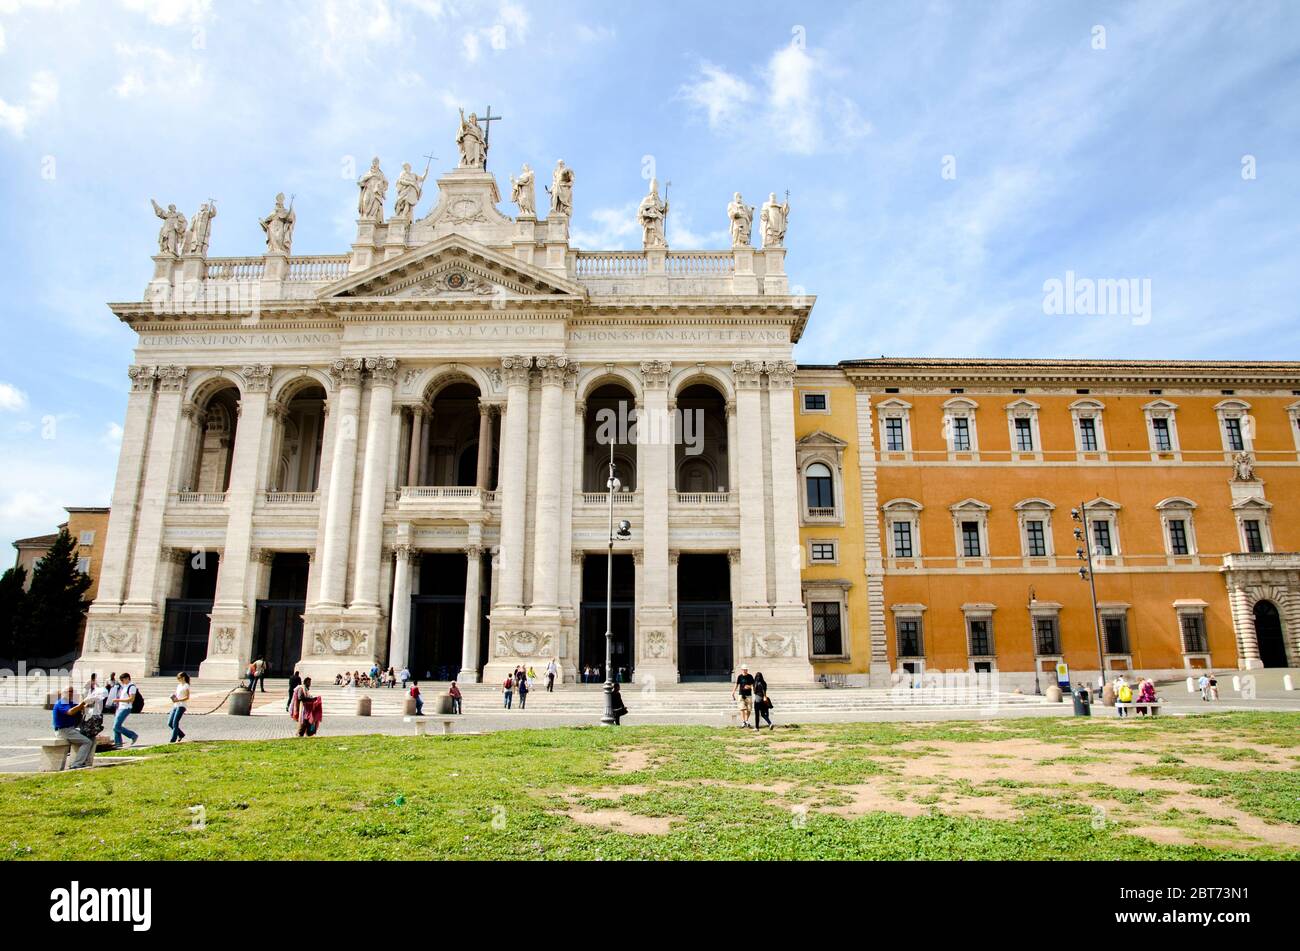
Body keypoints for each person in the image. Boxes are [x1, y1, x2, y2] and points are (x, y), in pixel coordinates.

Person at [52, 687, 94, 769]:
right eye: (70, 691)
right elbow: (70, 712)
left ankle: (84, 761)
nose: (72, 693)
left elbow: (79, 707)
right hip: (63, 730)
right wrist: (82, 704)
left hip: (70, 729)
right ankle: (77, 764)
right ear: (63, 693)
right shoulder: (62, 702)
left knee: (90, 736)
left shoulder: (69, 702)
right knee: (87, 742)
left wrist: (87, 704)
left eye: (73, 691)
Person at [112, 672, 140, 748]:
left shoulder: (131, 687)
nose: (122, 681)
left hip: (126, 708)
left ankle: (132, 735)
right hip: (120, 707)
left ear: (127, 678)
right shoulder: (125, 686)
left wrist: (118, 700)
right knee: (115, 726)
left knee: (116, 726)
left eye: (122, 679)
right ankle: (118, 743)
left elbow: (131, 699)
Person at [168, 673, 190, 743]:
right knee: (170, 723)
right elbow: (177, 694)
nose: (178, 679)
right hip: (176, 705)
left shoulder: (186, 685)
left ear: (183, 678)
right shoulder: (179, 685)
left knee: (175, 722)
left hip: (182, 705)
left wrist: (179, 700)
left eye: (179, 678)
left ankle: (173, 739)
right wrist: (173, 697)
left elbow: (187, 697)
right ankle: (181, 734)